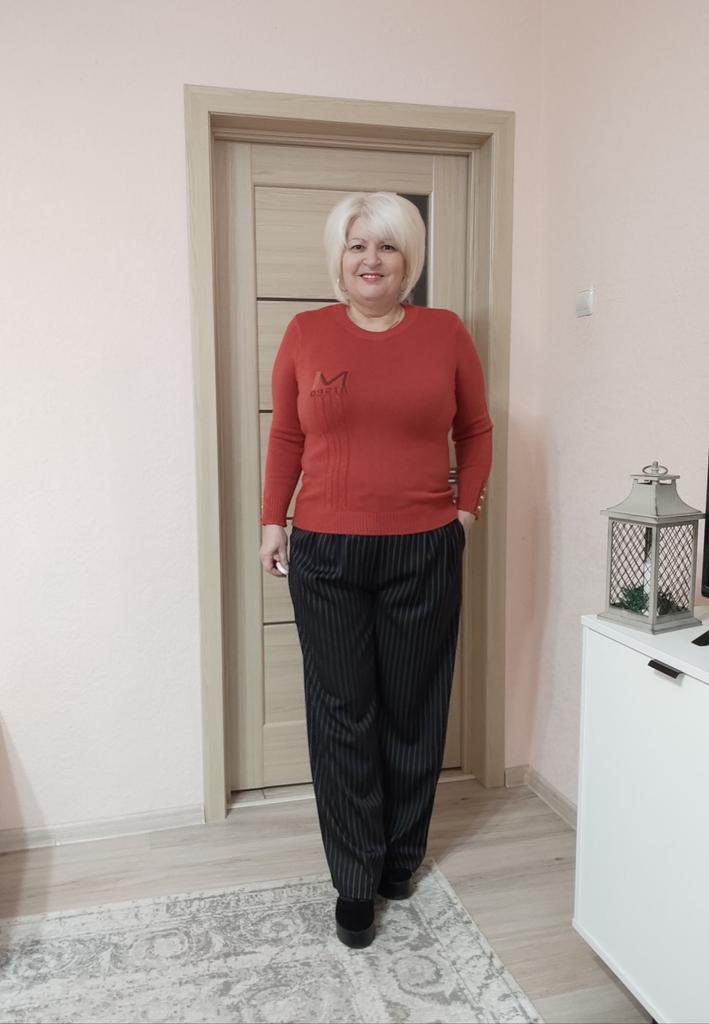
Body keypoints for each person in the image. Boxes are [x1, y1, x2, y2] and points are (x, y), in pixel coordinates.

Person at [259, 191, 493, 949]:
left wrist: (463, 514)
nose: (371, 260)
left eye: (387, 246)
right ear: (339, 257)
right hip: (326, 551)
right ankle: (354, 877)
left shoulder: (444, 332)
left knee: (413, 707)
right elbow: (287, 436)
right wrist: (272, 519)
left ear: (406, 260)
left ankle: (399, 857)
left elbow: (476, 429)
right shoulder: (306, 333)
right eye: (357, 245)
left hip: (422, 547)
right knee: (342, 713)